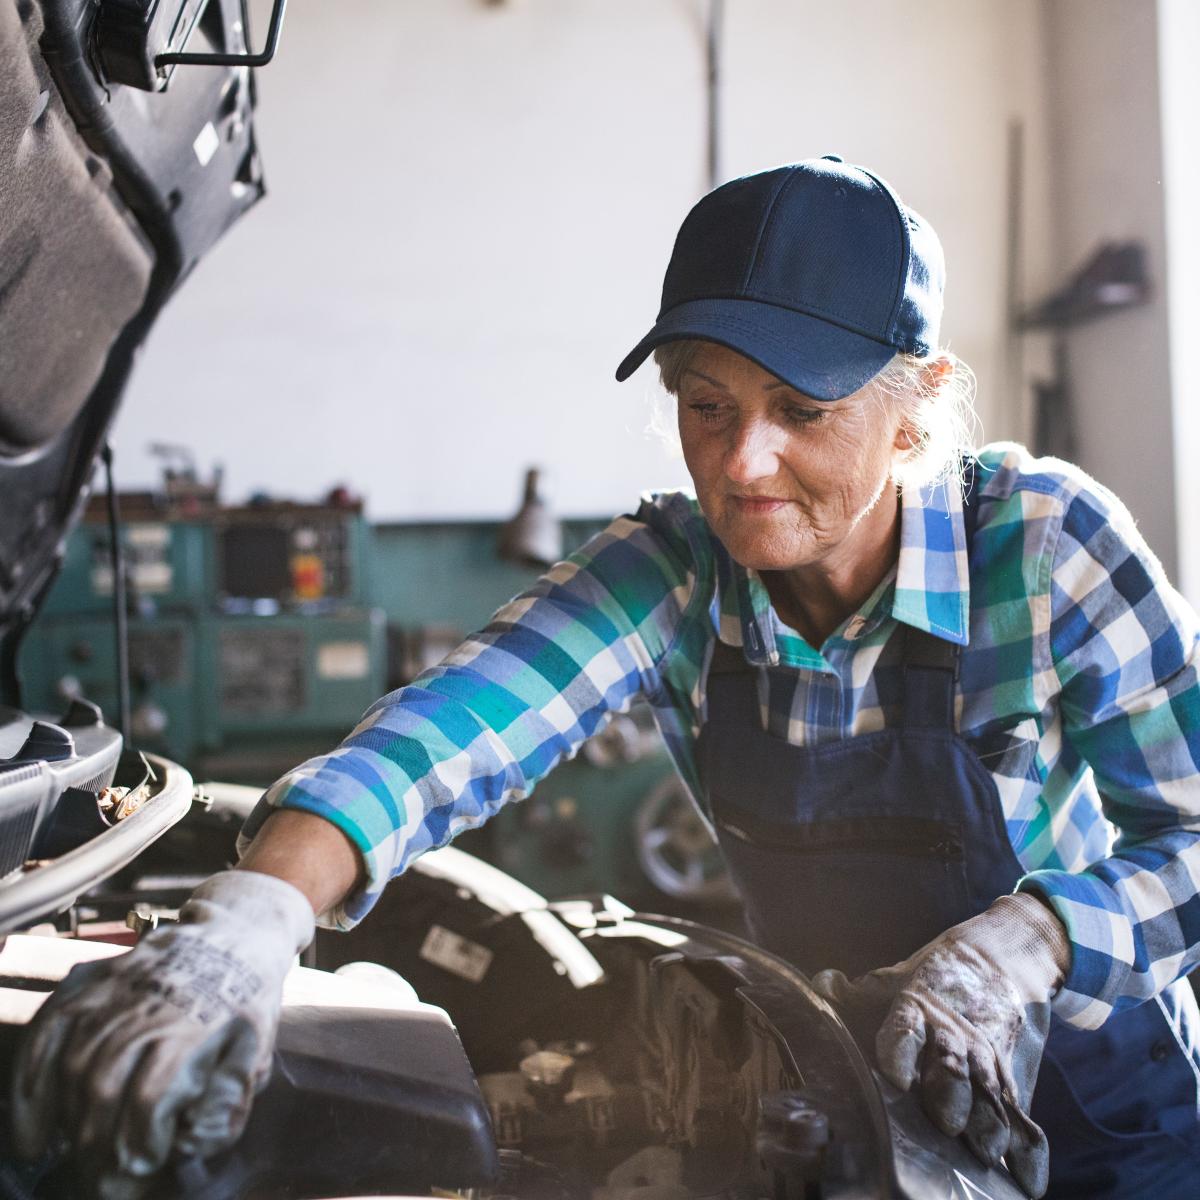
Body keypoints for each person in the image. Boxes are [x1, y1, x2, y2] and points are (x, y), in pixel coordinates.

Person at [12, 156, 1200, 1199]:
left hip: (1113, 1117)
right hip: (854, 1095)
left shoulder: (1045, 548)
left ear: (915, 415)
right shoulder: (673, 572)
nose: (744, 461)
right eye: (706, 404)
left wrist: (1026, 944)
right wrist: (252, 921)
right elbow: (436, 742)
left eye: (802, 409)